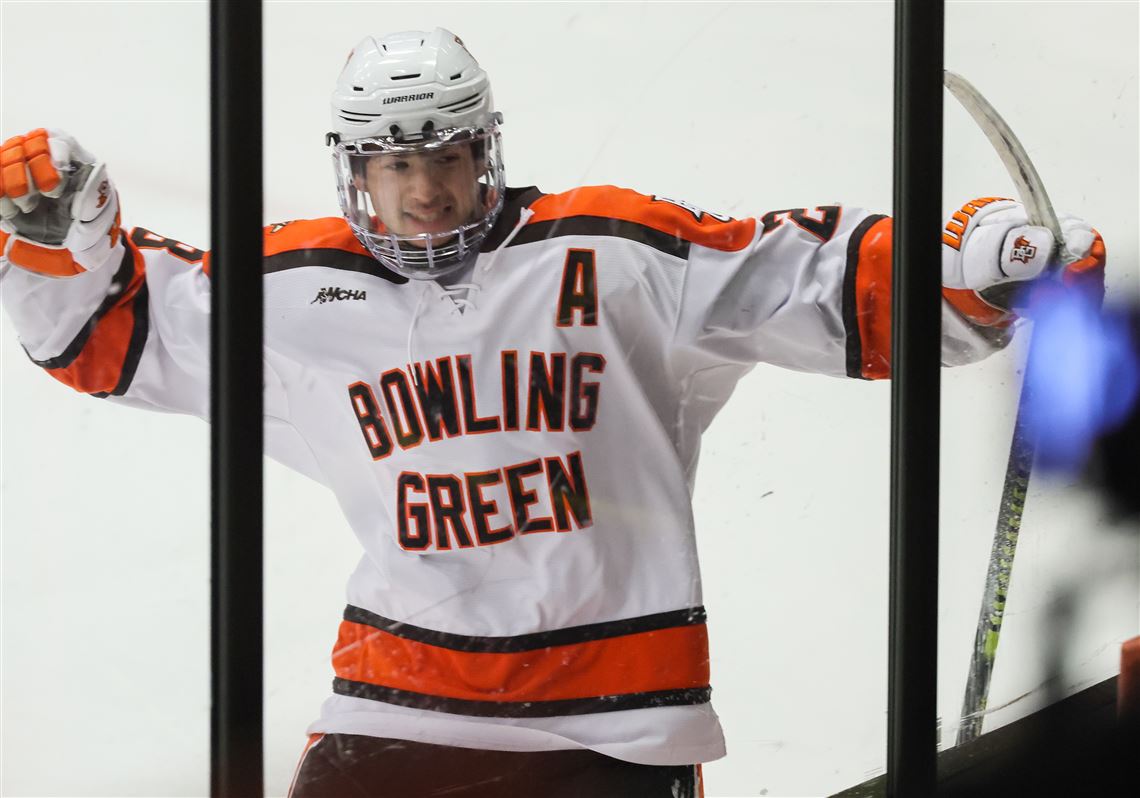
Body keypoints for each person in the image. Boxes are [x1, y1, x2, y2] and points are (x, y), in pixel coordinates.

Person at [0, 27, 1106, 798]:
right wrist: (64, 247)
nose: (424, 189)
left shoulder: (612, 250)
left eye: (446, 154)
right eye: (394, 164)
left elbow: (800, 273)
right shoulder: (293, 287)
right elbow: (121, 333)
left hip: (616, 720)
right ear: (353, 171)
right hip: (398, 706)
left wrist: (973, 268)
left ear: (485, 147)